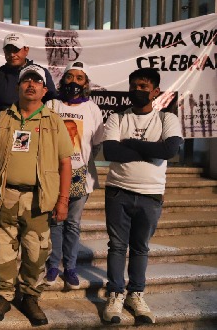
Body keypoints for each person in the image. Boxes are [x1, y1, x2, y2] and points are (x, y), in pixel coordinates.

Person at [0, 65, 73, 325]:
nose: (30, 84)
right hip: (6, 195)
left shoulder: (53, 121)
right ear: (18, 87)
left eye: (36, 81)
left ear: (44, 90)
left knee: (36, 253)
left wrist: (63, 200)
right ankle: (2, 295)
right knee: (2, 250)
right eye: (25, 80)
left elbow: (66, 162)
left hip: (38, 199)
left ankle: (30, 297)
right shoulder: (3, 119)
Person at [101, 68, 183, 325]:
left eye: (143, 86)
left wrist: (130, 144)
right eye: (134, 86)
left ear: (155, 91)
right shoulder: (117, 117)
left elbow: (169, 150)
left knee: (140, 248)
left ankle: (135, 294)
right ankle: (115, 294)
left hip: (150, 195)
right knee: (116, 246)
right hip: (118, 191)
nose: (137, 90)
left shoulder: (167, 119)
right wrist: (151, 151)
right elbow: (111, 151)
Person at [43, 61, 104, 290]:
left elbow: (96, 144)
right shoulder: (51, 104)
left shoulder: (93, 109)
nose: (74, 82)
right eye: (70, 77)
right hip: (54, 175)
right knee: (55, 223)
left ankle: (70, 267)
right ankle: (52, 265)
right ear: (63, 79)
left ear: (86, 83)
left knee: (73, 224)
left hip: (81, 176)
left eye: (79, 78)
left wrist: (80, 162)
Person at [0, 33, 56, 131]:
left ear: (26, 50)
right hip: (3, 129)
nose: (12, 55)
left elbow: (52, 103)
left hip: (35, 129)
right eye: (8, 50)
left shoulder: (41, 73)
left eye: (16, 50)